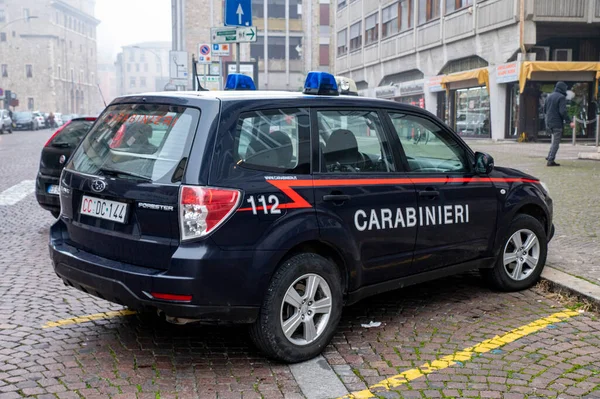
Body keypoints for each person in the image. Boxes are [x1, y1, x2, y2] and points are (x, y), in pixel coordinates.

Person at [544, 82, 575, 167]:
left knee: (554, 141)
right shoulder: (561, 97)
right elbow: (563, 111)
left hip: (549, 122)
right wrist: (570, 121)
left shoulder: (549, 96)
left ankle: (549, 156)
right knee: (556, 143)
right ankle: (550, 160)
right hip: (557, 123)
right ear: (563, 89)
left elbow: (544, 110)